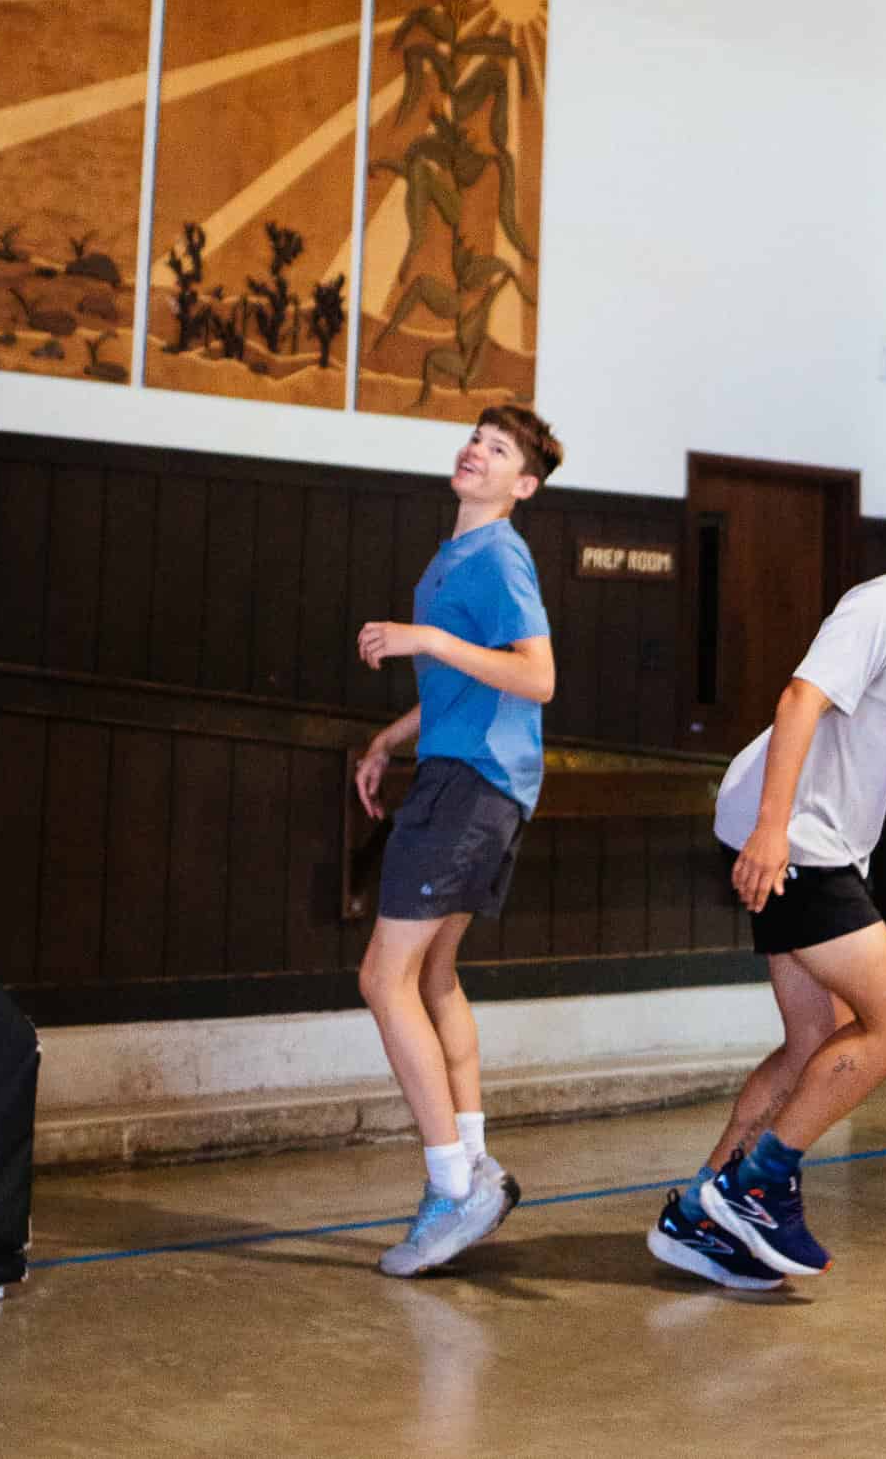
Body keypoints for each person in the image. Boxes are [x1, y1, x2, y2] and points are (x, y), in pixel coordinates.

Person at [648, 469, 886, 1290]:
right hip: (795, 836)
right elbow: (799, 700)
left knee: (814, 1043)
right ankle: (758, 1185)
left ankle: (701, 1217)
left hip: (827, 845)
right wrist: (772, 830)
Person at [354, 403, 563, 1277]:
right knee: (433, 975)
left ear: (524, 485)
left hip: (472, 787)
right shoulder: (454, 556)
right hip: (472, 777)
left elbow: (538, 677)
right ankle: (471, 1161)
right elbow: (465, 685)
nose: (478, 449)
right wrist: (392, 737)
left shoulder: (501, 555)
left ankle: (451, 1186)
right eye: (478, 437)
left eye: (499, 447)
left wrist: (426, 637)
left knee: (383, 977)